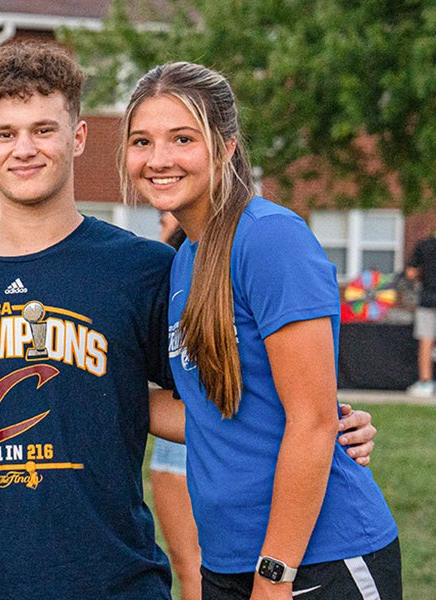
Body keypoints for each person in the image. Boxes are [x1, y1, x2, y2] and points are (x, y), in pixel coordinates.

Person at [0, 43, 379, 600]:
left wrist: (325, 424)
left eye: (44, 130)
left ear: (80, 137)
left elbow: (233, 396)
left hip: (121, 579)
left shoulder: (152, 269)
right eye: (6, 134)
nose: (24, 149)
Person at [127, 61, 400, 600]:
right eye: (142, 141)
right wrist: (79, 388)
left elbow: (313, 422)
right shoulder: (186, 260)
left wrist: (275, 574)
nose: (158, 159)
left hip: (315, 560)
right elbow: (212, 413)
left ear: (227, 146)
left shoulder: (270, 239)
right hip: (228, 559)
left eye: (182, 139)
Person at [151, 209, 201, 600]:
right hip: (178, 431)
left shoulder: (236, 262)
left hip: (212, 439)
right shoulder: (170, 273)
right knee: (194, 567)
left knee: (196, 568)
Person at [405, 227, 436, 396]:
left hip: (428, 298)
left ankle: (425, 382)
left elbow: (410, 273)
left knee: (426, 340)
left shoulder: (425, 245)